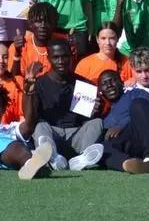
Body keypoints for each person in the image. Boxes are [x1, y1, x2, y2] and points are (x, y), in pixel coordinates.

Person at [22, 40, 104, 171]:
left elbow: (89, 119)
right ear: (48, 58)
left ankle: (80, 160)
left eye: (64, 56)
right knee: (40, 126)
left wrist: (95, 111)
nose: (61, 61)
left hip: (77, 134)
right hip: (52, 134)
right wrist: (28, 92)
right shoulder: (39, 83)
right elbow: (28, 117)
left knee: (97, 122)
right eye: (56, 57)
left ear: (71, 57)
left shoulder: (84, 83)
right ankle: (51, 156)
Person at [97, 70, 149, 174]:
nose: (109, 85)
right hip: (133, 148)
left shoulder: (135, 93)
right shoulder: (105, 116)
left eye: (112, 80)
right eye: (104, 84)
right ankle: (129, 164)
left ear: (121, 82)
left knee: (139, 104)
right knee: (101, 148)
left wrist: (121, 126)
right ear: (101, 91)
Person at [9, 1, 57, 77]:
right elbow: (12, 79)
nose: (43, 26)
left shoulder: (61, 47)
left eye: (47, 21)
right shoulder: (18, 46)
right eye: (38, 21)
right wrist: (17, 53)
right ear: (30, 24)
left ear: (54, 24)